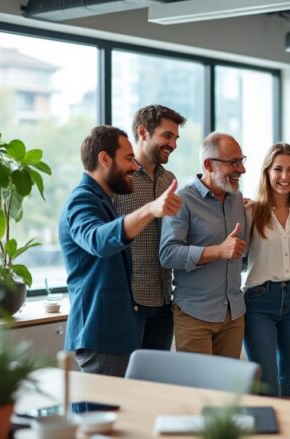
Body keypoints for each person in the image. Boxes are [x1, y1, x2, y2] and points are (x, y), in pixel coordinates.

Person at [60, 125, 182, 376]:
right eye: (128, 159)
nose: (135, 166)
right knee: (101, 415)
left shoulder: (102, 199)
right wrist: (150, 209)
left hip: (117, 333)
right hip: (101, 335)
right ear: (104, 159)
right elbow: (97, 240)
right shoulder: (82, 200)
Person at [160, 132, 247, 358]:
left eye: (242, 160)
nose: (242, 169)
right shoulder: (182, 200)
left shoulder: (237, 199)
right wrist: (218, 251)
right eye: (233, 162)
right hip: (194, 316)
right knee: (197, 392)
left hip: (233, 315)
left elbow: (240, 255)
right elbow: (168, 254)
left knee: (227, 392)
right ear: (209, 164)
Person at [243, 143, 290, 399]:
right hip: (259, 302)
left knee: (289, 383)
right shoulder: (250, 211)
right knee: (267, 384)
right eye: (278, 169)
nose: (285, 177)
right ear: (267, 172)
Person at [113, 105, 186, 351]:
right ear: (143, 132)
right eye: (167, 136)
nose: (173, 144)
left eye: (175, 138)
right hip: (128, 302)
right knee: (125, 385)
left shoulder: (169, 180)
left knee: (155, 382)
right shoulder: (120, 179)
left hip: (164, 301)